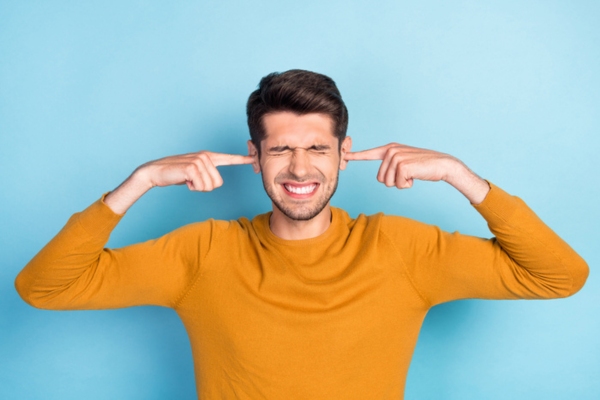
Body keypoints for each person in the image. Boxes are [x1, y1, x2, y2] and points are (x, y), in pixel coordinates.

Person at [15, 69, 588, 399]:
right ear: (254, 156)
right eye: (281, 149)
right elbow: (45, 288)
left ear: (343, 155)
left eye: (317, 149)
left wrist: (462, 177)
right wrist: (137, 182)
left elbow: (560, 276)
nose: (299, 168)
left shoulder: (399, 248)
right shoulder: (204, 251)